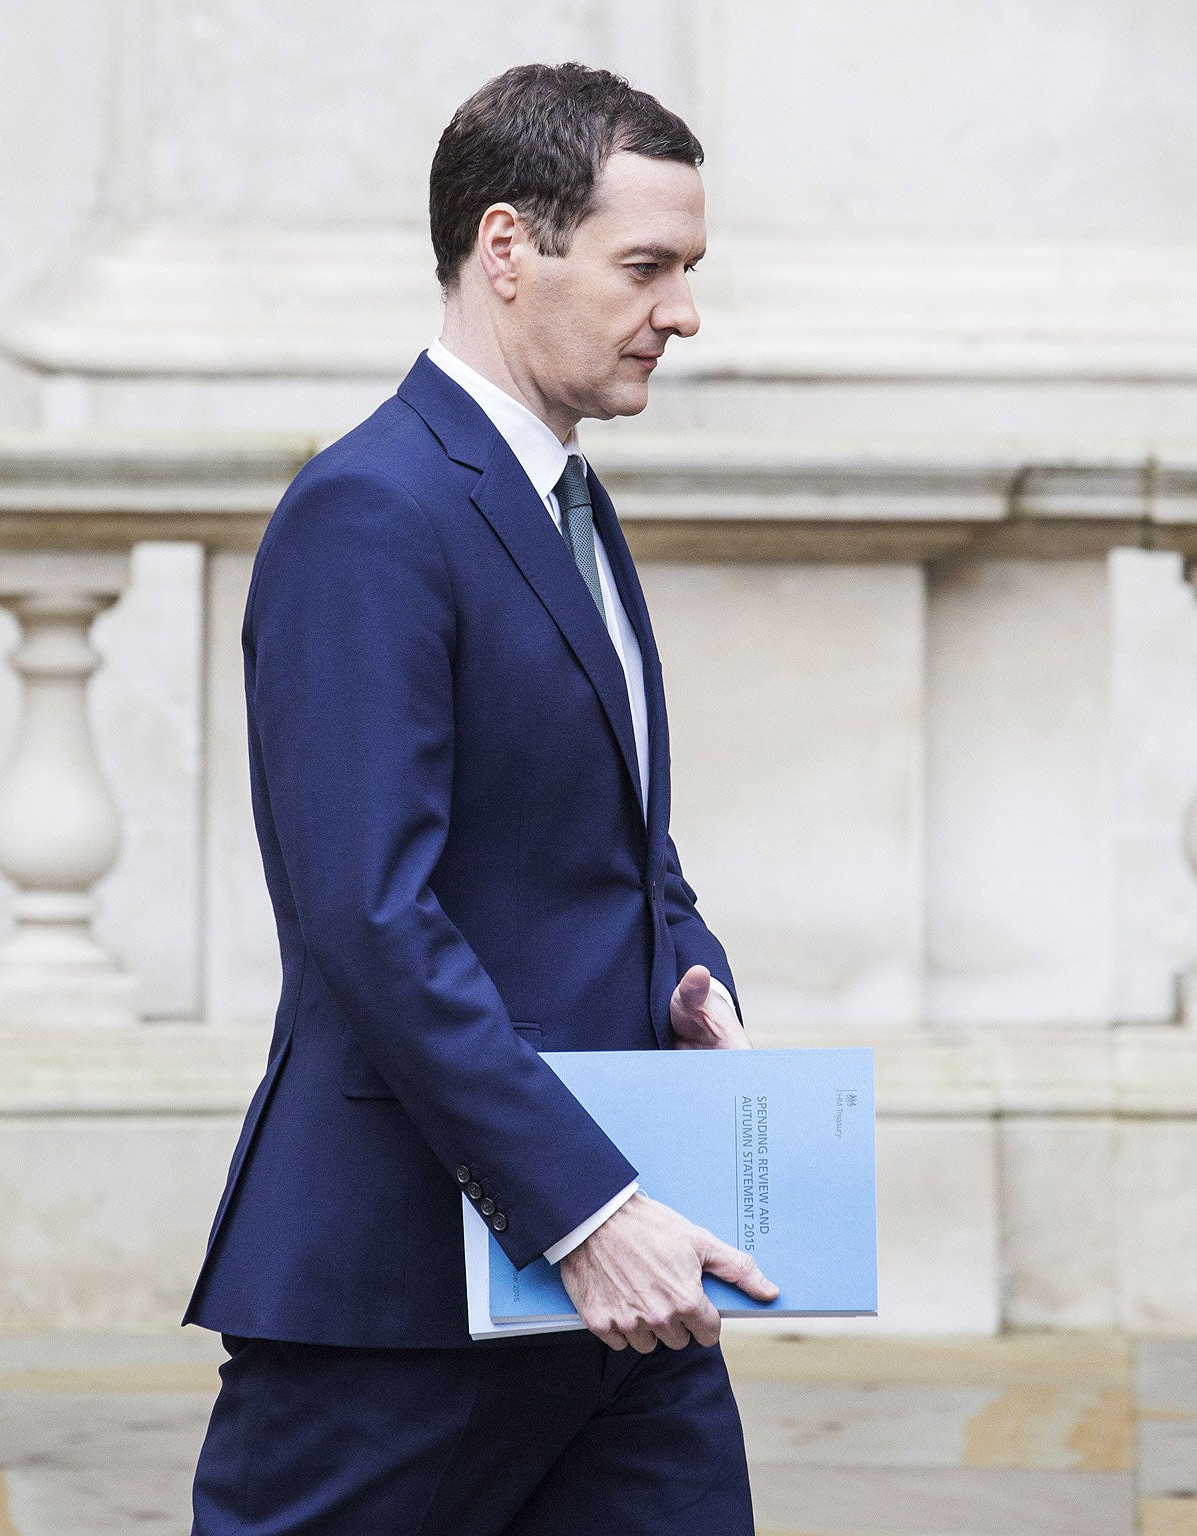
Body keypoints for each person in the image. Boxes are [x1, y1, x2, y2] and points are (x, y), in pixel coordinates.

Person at [184, 61, 774, 1535]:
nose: (684, 312)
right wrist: (580, 1209)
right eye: (648, 267)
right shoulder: (371, 510)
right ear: (507, 249)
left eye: (689, 270)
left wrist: (687, 969)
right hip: (403, 1293)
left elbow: (617, 843)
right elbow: (370, 916)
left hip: (625, 1274)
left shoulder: (565, 497)